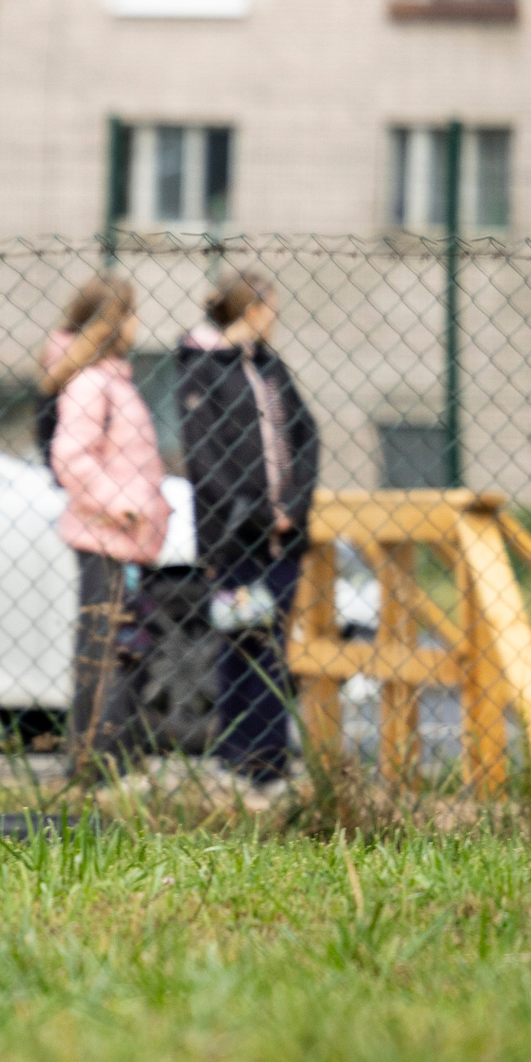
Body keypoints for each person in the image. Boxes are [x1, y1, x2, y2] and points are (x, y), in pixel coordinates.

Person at [177, 272, 320, 788]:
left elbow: (305, 433)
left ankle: (266, 760)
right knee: (245, 641)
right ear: (253, 309)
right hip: (236, 537)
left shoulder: (269, 366)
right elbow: (206, 457)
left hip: (285, 537)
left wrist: (294, 506)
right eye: (271, 308)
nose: (275, 318)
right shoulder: (202, 370)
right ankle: (244, 759)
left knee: (273, 645)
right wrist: (257, 510)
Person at [40, 277, 170, 786]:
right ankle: (91, 762)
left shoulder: (115, 380)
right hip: (106, 538)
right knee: (105, 649)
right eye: (132, 314)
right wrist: (123, 507)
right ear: (115, 322)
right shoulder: (93, 384)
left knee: (128, 648)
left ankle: (115, 756)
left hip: (130, 542)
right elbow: (70, 456)